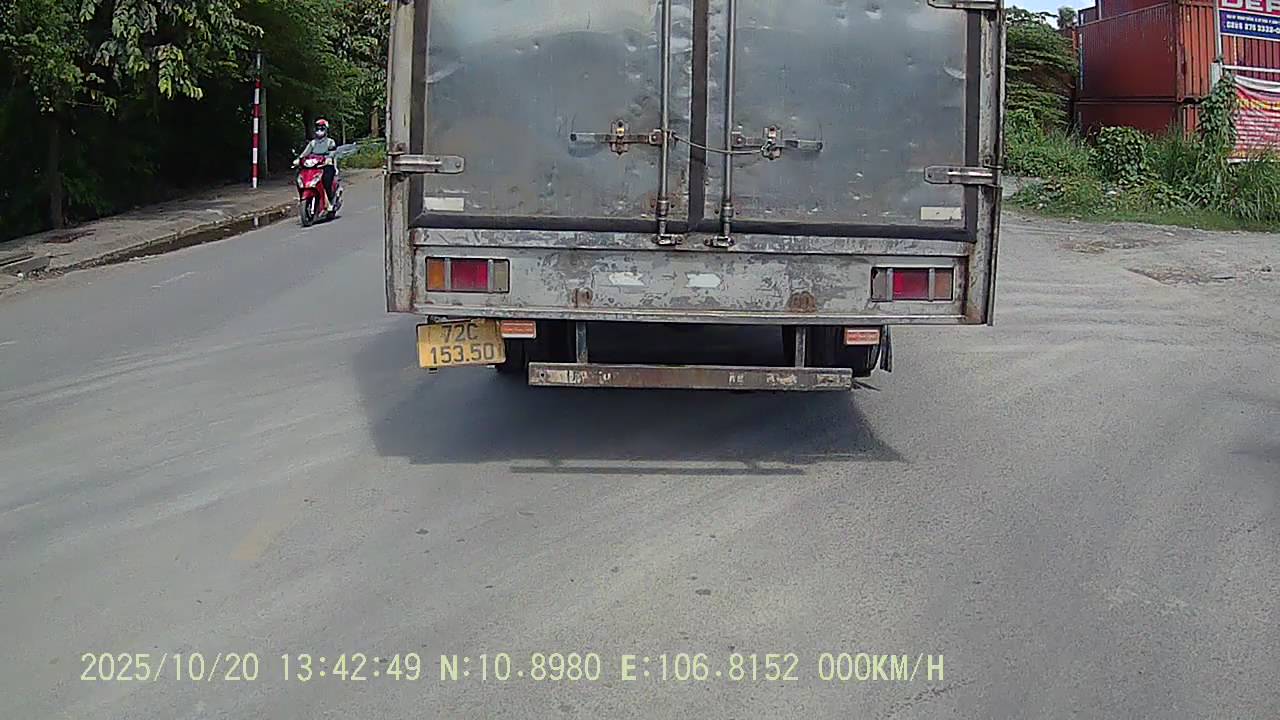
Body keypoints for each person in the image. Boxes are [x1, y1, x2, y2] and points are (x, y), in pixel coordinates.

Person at [296, 119, 339, 201]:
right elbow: (305, 153)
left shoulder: (330, 142)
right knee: (299, 176)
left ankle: (330, 200)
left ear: (326, 130)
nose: (319, 131)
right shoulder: (312, 143)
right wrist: (298, 159)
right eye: (317, 129)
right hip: (313, 165)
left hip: (325, 165)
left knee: (327, 180)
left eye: (322, 128)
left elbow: (332, 152)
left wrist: (329, 158)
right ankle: (302, 195)